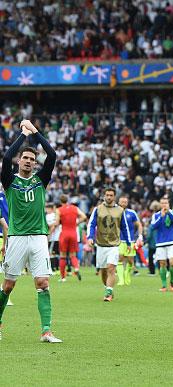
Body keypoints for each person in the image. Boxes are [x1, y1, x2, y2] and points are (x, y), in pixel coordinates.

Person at [0, 120, 61, 342]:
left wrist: (35, 133)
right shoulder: (9, 181)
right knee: (8, 285)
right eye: (25, 158)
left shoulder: (40, 180)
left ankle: (46, 331)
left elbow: (52, 156)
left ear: (36, 164)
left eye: (32, 160)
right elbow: (6, 158)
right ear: (20, 161)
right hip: (16, 237)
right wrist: (22, 135)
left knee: (43, 283)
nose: (28, 162)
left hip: (38, 237)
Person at [87, 188, 130, 302]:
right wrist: (90, 237)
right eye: (107, 195)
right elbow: (91, 224)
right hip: (101, 244)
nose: (109, 197)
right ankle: (108, 288)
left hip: (114, 245)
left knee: (111, 268)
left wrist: (129, 242)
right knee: (103, 271)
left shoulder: (120, 210)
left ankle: (108, 293)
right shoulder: (98, 209)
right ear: (104, 196)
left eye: (111, 195)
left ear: (114, 197)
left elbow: (125, 227)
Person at [150, 196, 173, 292]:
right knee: (162, 264)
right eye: (162, 203)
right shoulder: (156, 215)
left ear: (168, 204)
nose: (164, 205)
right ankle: (163, 285)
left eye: (166, 203)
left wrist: (169, 214)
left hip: (172, 241)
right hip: (160, 243)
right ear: (160, 204)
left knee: (172, 263)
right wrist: (161, 217)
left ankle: (171, 281)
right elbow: (153, 226)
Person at [55, 194, 87, 281]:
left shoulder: (59, 210)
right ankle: (76, 268)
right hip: (73, 233)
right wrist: (76, 223)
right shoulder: (74, 208)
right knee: (73, 255)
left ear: (60, 201)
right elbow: (84, 216)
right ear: (67, 200)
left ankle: (63, 278)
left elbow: (57, 223)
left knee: (63, 256)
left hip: (64, 233)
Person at [117, 195, 143, 286]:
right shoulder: (115, 213)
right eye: (122, 202)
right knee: (119, 258)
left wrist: (140, 236)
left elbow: (139, 225)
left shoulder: (131, 213)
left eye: (125, 202)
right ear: (118, 202)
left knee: (130, 260)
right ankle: (121, 280)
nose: (123, 203)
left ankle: (127, 274)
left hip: (130, 240)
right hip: (119, 240)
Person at [46, 203, 61, 274]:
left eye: (47, 208)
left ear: (51, 209)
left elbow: (53, 226)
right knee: (56, 254)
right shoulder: (56, 215)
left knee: (51, 253)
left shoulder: (49, 216)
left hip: (53, 237)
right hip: (58, 237)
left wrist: (48, 235)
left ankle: (54, 269)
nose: (46, 210)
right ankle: (57, 269)